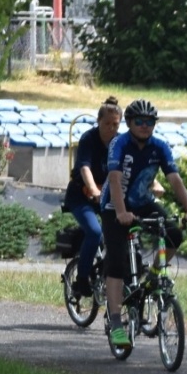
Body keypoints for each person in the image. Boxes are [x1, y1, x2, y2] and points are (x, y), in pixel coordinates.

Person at [102, 98, 187, 352]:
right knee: (116, 262)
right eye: (139, 121)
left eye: (150, 122)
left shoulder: (159, 147)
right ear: (129, 123)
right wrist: (121, 212)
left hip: (143, 202)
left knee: (174, 234)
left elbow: (175, 181)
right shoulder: (119, 144)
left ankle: (155, 275)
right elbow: (114, 179)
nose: (145, 126)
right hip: (115, 205)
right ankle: (116, 322)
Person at [62, 97, 121, 299]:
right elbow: (84, 168)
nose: (111, 128)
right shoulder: (89, 139)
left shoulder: (120, 142)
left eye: (115, 125)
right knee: (95, 232)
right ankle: (82, 278)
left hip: (106, 197)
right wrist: (94, 191)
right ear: (98, 121)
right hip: (81, 197)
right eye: (107, 124)